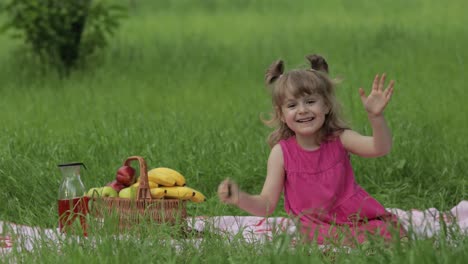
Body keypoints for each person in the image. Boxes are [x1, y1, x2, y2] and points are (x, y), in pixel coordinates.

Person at [217, 54, 405, 245]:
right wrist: (240, 198)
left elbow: (379, 148)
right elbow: (266, 204)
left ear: (326, 106)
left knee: (388, 231)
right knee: (324, 237)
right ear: (281, 115)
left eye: (310, 102)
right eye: (292, 105)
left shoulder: (340, 138)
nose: (302, 110)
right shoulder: (281, 154)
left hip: (352, 216)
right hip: (315, 227)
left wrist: (376, 117)